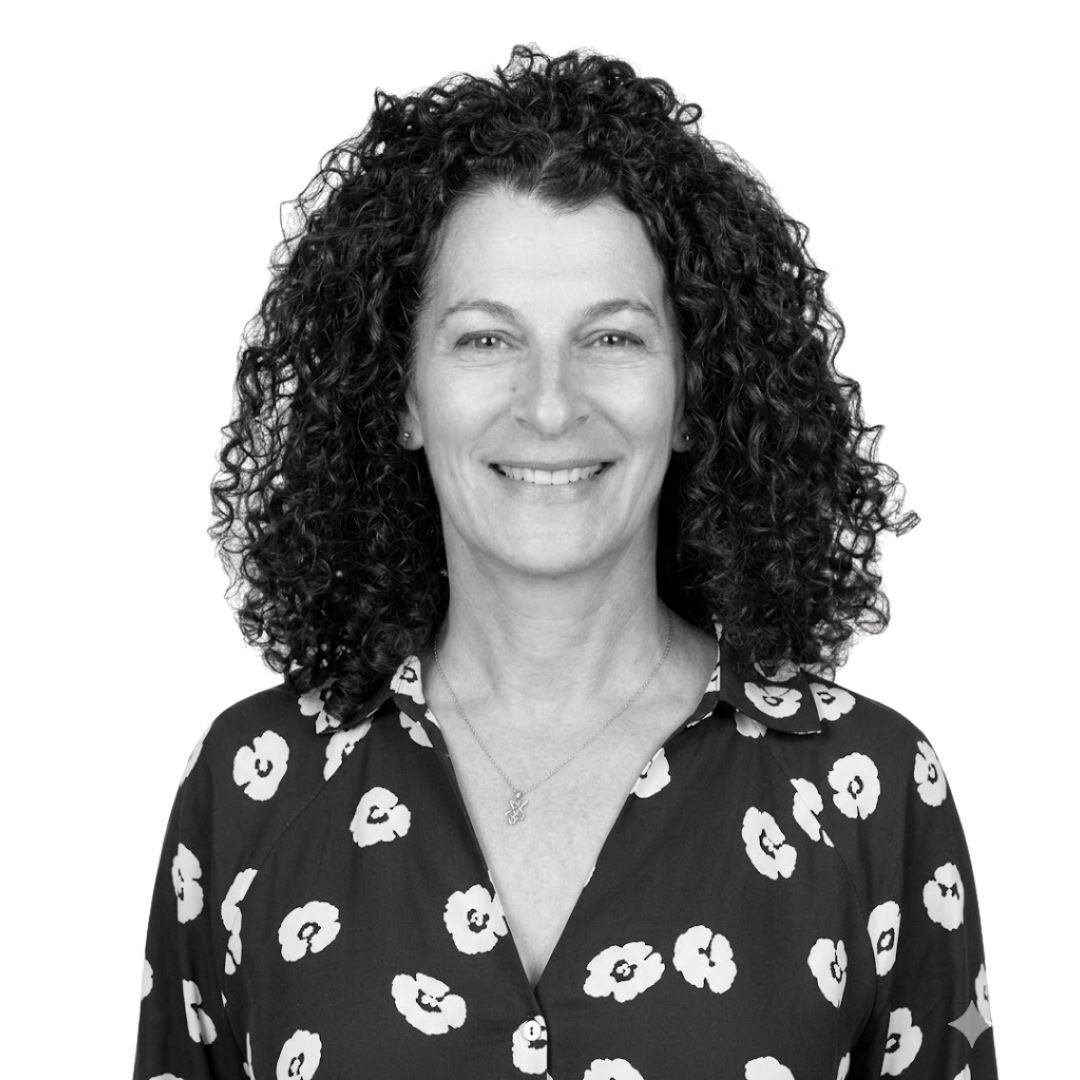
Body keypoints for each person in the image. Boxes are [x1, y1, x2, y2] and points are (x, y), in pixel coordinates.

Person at [132, 45, 997, 1080]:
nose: (549, 404)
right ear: (402, 395)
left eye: (614, 340)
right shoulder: (252, 793)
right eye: (487, 341)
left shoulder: (871, 792)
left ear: (692, 394)